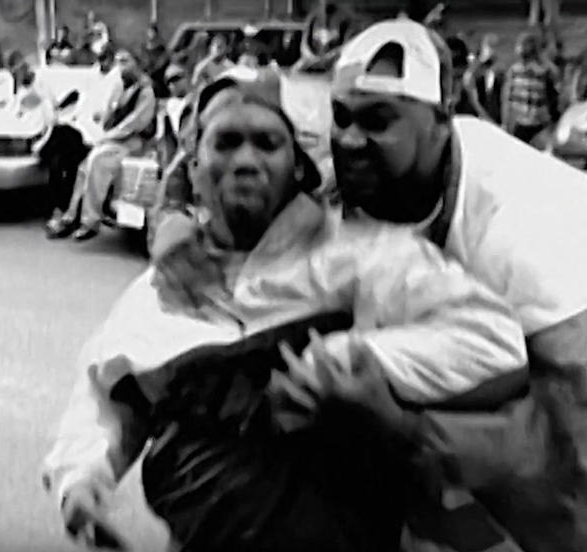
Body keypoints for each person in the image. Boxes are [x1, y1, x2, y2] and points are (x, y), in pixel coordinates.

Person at [42, 71, 529, 552]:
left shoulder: (365, 259)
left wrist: (347, 361)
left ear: (298, 166)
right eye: (226, 142)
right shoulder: (159, 291)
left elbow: (493, 339)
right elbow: (109, 397)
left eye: (267, 143)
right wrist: (82, 481)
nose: (245, 161)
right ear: (194, 168)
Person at [157, 18, 587, 552]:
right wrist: (176, 230)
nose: (351, 140)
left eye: (378, 121)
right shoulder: (355, 172)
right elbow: (212, 165)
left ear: (440, 120)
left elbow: (566, 464)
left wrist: (403, 427)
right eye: (342, 117)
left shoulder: (526, 230)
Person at [53, 51, 157, 242]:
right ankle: (71, 215)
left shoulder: (145, 91)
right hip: (115, 139)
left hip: (133, 142)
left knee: (98, 161)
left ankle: (90, 221)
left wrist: (108, 136)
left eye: (125, 61)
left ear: (137, 63)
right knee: (84, 167)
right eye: (118, 62)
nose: (120, 67)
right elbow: (108, 113)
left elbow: (135, 123)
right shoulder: (121, 86)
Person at [42, 47, 121, 238]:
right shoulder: (92, 78)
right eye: (100, 58)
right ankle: (60, 210)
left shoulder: (116, 82)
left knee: (65, 150)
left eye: (106, 59)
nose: (103, 62)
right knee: (58, 158)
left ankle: (63, 213)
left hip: (97, 132)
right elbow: (82, 102)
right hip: (81, 126)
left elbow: (108, 112)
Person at [501, 31, 561, 144]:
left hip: (538, 123)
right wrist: (505, 123)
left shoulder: (543, 71)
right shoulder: (515, 71)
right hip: (524, 123)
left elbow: (507, 99)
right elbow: (507, 98)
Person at [464, 34, 505, 123]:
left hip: (492, 118)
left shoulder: (499, 76)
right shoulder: (472, 75)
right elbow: (474, 102)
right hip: (476, 119)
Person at [141, 23, 170, 98]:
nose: (150, 34)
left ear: (156, 33)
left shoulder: (160, 48)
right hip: (148, 76)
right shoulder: (144, 47)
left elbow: (163, 61)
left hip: (158, 77)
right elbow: (144, 61)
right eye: (149, 32)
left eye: (152, 32)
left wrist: (155, 69)